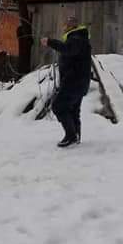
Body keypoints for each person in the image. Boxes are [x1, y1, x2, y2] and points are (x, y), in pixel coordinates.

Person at [42, 15, 92, 148]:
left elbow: (68, 49)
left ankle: (71, 135)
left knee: (59, 106)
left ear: (71, 26)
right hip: (79, 81)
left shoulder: (76, 38)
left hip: (74, 81)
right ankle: (75, 137)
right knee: (73, 109)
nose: (64, 27)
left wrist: (51, 42)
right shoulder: (80, 38)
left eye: (66, 25)